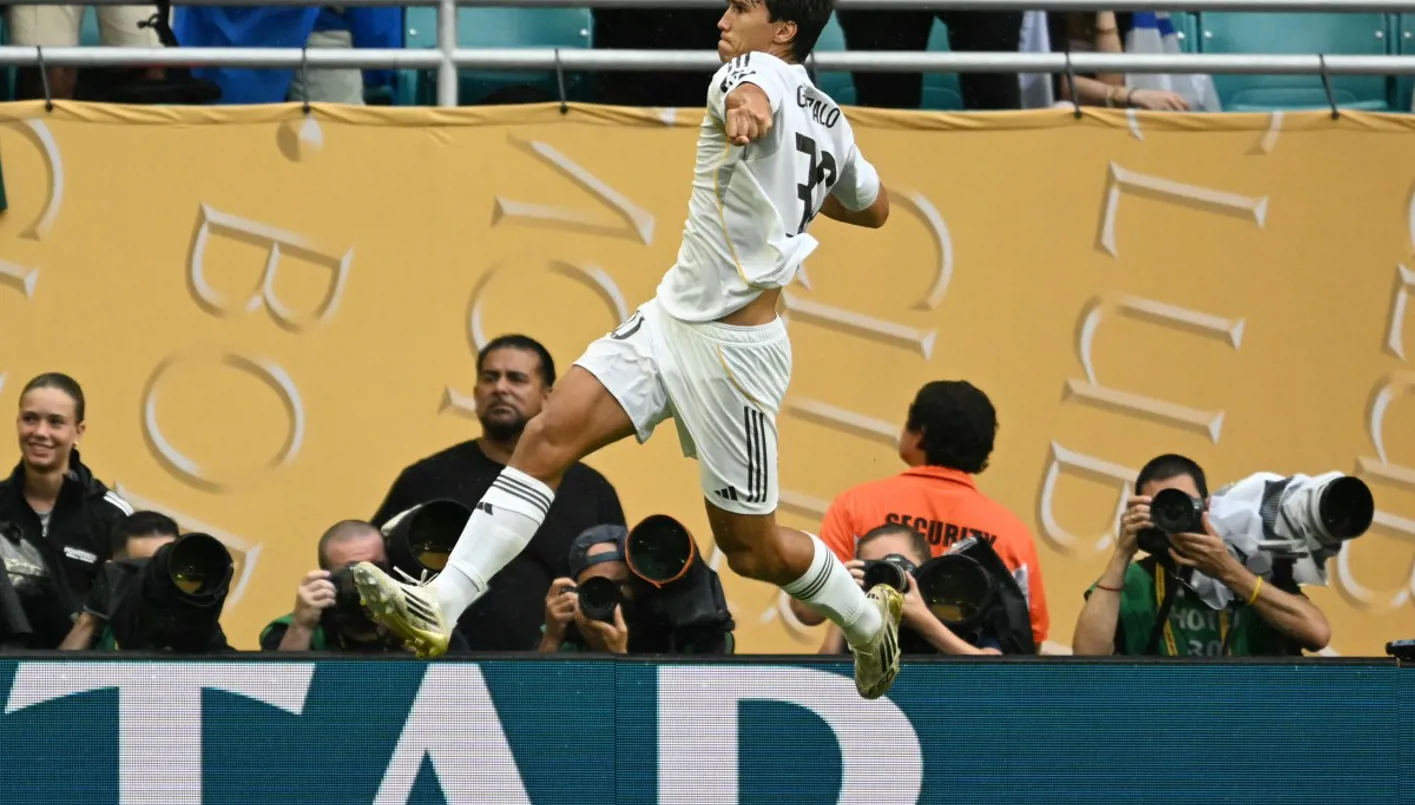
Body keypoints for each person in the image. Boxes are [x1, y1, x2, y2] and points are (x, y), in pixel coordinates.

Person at [353, 0, 904, 699]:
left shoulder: (746, 72)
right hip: (669, 320)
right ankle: (442, 602)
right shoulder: (832, 119)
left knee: (752, 550)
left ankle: (867, 621)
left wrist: (751, 113)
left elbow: (752, 94)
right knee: (546, 435)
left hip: (736, 357)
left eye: (743, 6)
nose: (723, 17)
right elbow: (876, 207)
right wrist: (798, 181)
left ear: (784, 30)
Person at [371, 334, 625, 651]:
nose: (500, 388)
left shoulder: (591, 490)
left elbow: (621, 589)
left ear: (548, 397)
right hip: (443, 670)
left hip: (561, 673)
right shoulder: (425, 480)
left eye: (516, 379)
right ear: (476, 392)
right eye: (489, 378)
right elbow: (375, 573)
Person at [795, 380, 1050, 647]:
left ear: (920, 433)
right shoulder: (1013, 535)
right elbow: (1029, 641)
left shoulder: (857, 505)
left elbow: (807, 611)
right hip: (962, 673)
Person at [1072, 454, 1332, 657]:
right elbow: (1086, 655)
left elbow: (1318, 633)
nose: (1175, 514)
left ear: (1207, 505)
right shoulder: (1137, 580)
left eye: (1183, 503)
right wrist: (1122, 553)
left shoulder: (1251, 566)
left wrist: (1229, 571)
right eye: (1163, 507)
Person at [0, 373, 133, 649]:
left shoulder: (112, 516)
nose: (40, 432)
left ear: (78, 432)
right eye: (30, 419)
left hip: (84, 674)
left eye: (55, 422)